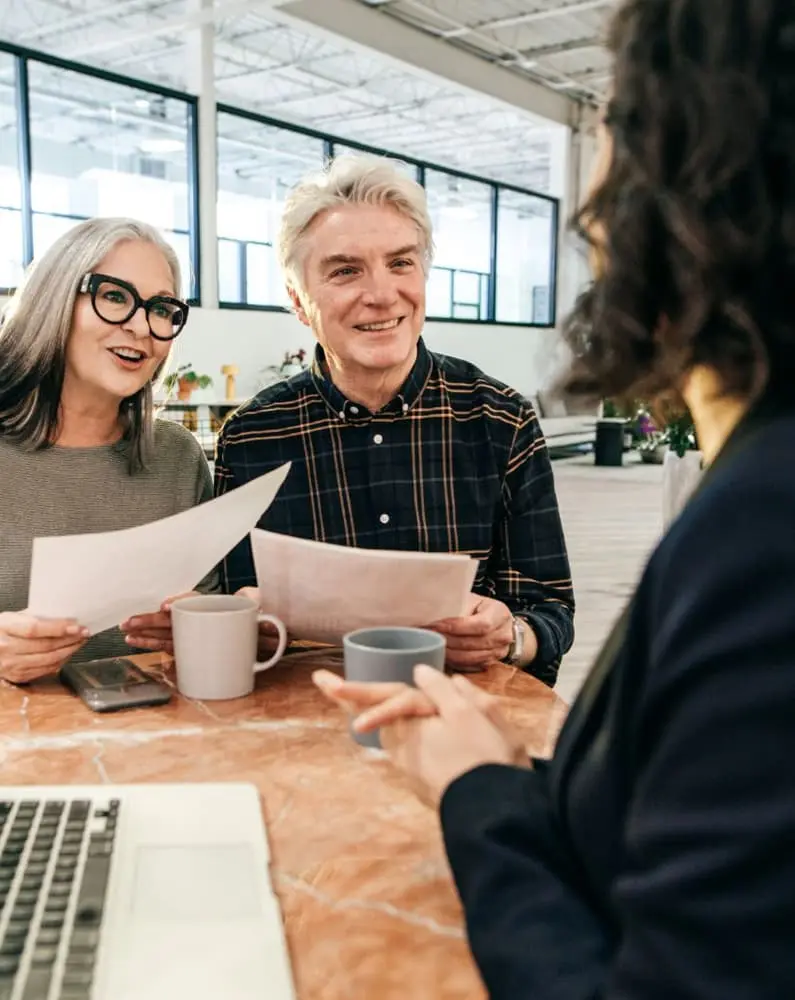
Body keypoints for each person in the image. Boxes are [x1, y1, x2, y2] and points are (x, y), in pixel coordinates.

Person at [313, 1, 795, 996]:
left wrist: (474, 783)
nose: (593, 204)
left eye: (617, 132)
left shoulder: (764, 527)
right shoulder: (748, 487)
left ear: (700, 172)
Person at [213, 154, 574, 683]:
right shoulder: (252, 438)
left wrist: (511, 636)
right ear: (297, 299)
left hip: (465, 727)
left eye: (401, 263)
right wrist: (246, 624)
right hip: (307, 732)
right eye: (345, 271)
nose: (382, 295)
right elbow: (236, 614)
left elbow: (549, 612)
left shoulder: (501, 420)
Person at [0, 217, 216, 684]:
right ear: (54, 300)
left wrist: (202, 625)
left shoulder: (177, 460)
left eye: (162, 308)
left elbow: (208, 606)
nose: (142, 327)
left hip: (163, 741)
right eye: (114, 296)